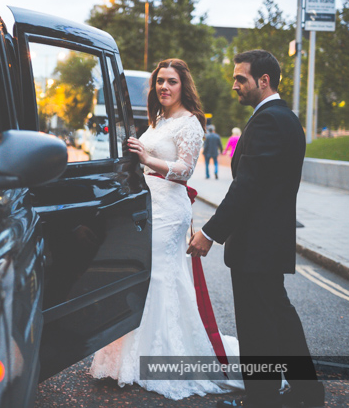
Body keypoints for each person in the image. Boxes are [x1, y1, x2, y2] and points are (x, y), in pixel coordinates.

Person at [90, 59, 243, 400]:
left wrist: (147, 159)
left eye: (171, 81)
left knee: (158, 276)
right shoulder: (159, 120)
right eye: (160, 81)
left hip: (170, 211)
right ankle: (124, 358)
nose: (164, 87)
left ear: (183, 85)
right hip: (145, 206)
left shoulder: (190, 123)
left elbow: (184, 171)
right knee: (140, 274)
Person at [187, 50, 325, 408]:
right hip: (267, 243)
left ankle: (262, 397)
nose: (235, 85)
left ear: (264, 80)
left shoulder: (267, 121)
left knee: (258, 327)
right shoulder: (286, 119)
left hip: (256, 246)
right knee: (278, 319)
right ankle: (307, 392)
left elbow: (248, 185)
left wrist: (210, 232)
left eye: (241, 79)